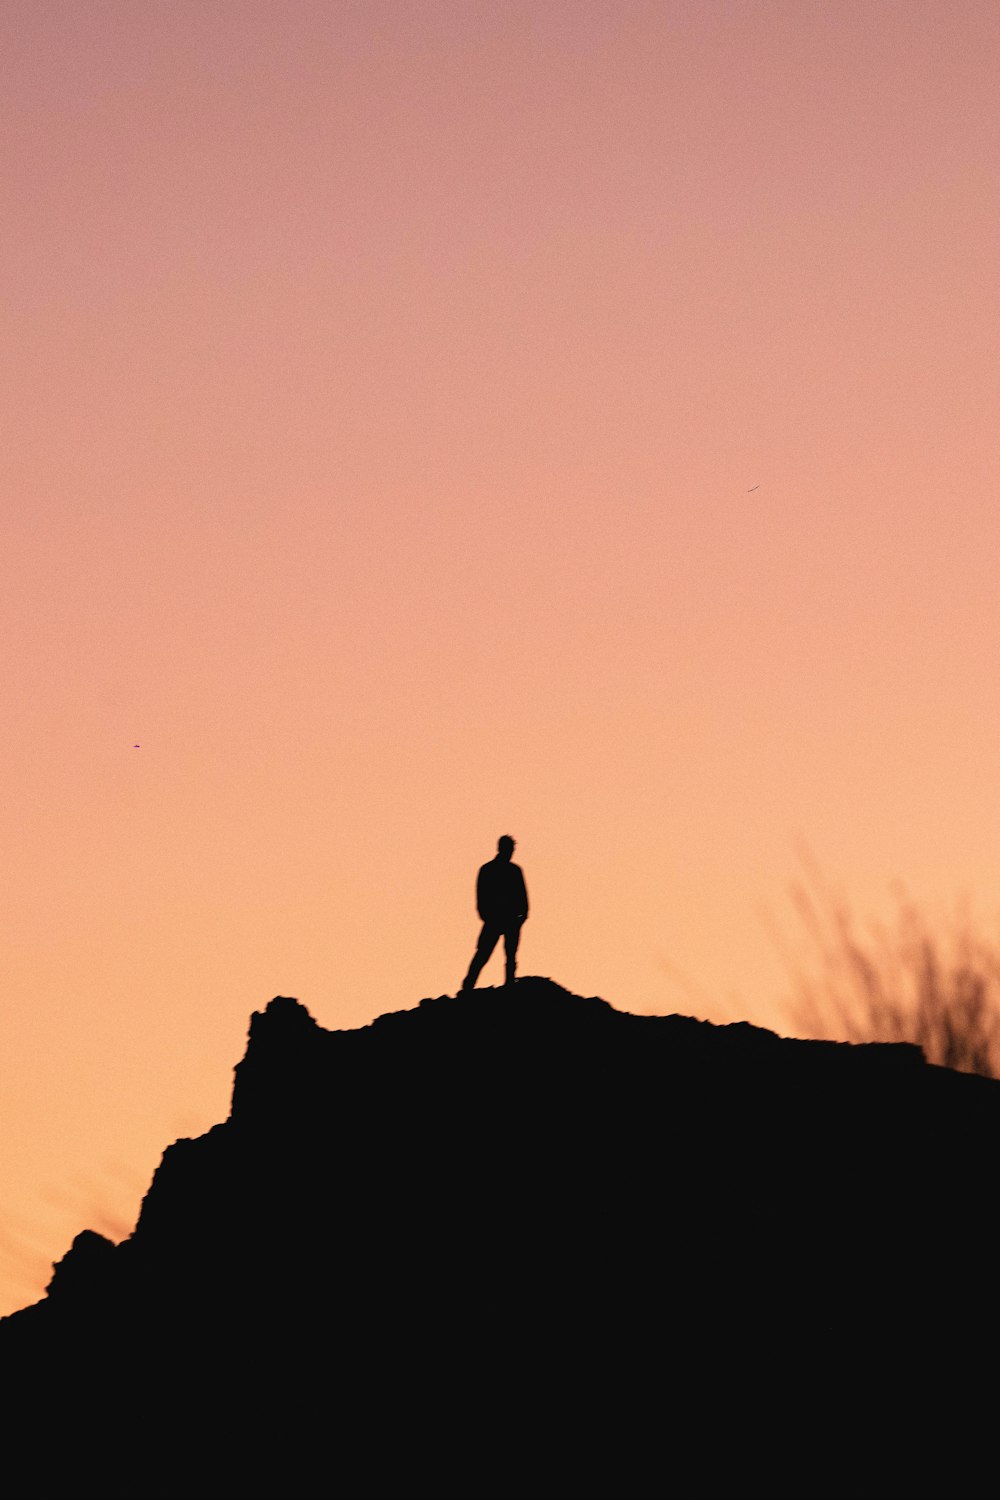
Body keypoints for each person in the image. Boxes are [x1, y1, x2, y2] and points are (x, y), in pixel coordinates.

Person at [461, 836, 529, 991]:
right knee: (484, 954)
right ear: (501, 848)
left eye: (512, 850)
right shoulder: (489, 870)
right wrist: (487, 916)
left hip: (510, 919)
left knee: (509, 954)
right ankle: (468, 986)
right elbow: (481, 896)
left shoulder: (513, 870)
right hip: (495, 919)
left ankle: (509, 984)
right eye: (509, 849)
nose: (510, 853)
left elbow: (522, 895)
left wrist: (522, 916)